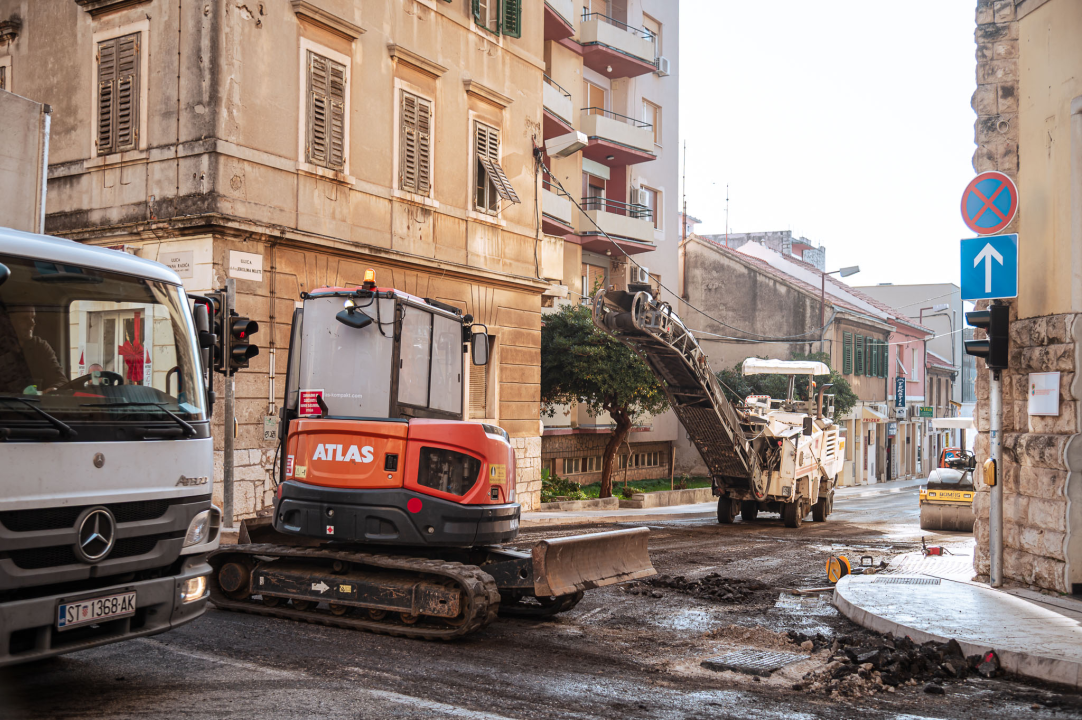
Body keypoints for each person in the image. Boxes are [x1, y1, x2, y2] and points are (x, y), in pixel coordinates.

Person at [7, 307, 68, 393]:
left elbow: (61, 380)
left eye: (33, 318)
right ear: (10, 322)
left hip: (37, 405)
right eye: (25, 318)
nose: (32, 323)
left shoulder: (40, 346)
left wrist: (54, 389)